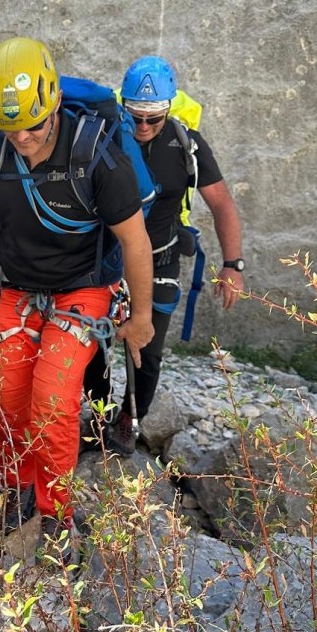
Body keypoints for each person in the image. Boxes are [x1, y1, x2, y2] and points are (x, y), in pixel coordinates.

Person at [0, 37, 154, 547]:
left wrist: (141, 318)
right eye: (11, 127)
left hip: (84, 289)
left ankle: (55, 513)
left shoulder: (98, 158)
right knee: (8, 394)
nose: (22, 137)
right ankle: (17, 486)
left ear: (52, 106)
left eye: (32, 123)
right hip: (20, 287)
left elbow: (135, 243)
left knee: (52, 400)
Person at [84, 55, 244, 455]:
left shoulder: (185, 143)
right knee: (93, 344)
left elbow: (222, 204)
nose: (142, 127)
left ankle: (128, 420)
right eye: (134, 116)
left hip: (161, 255)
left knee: (146, 347)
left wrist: (232, 265)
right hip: (108, 257)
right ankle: (99, 413)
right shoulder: (103, 136)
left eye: (152, 119)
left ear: (169, 108)